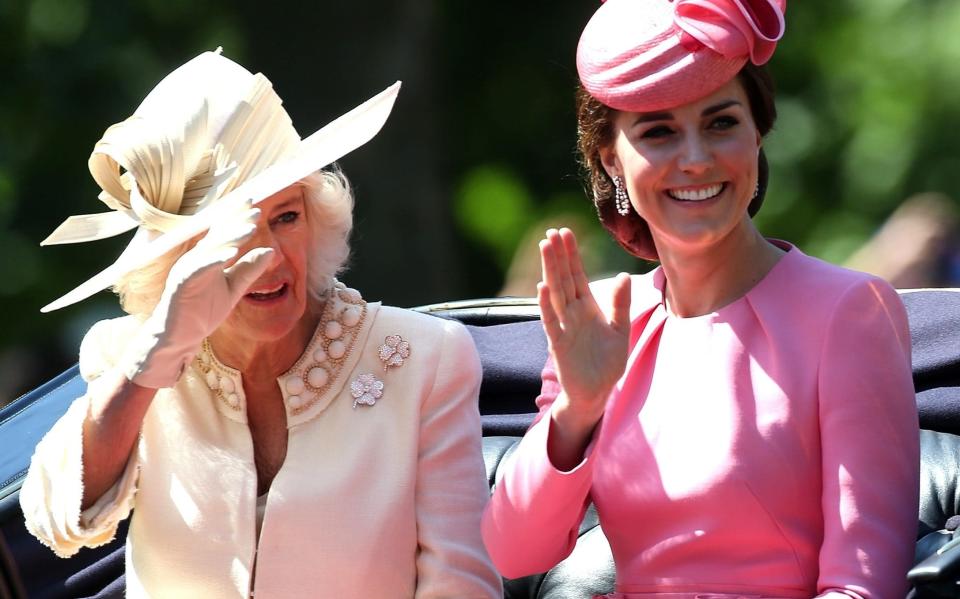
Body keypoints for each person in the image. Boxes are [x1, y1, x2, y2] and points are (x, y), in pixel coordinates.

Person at [20, 50, 501, 598]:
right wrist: (158, 354)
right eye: (234, 234)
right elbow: (56, 521)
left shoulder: (426, 357)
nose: (269, 256)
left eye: (286, 217)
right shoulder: (126, 354)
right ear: (178, 256)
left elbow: (461, 585)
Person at [482, 1, 919, 597]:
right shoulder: (606, 320)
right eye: (658, 132)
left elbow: (864, 582)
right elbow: (513, 550)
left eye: (721, 123)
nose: (695, 159)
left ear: (758, 131)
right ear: (612, 161)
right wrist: (577, 409)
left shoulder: (847, 311)